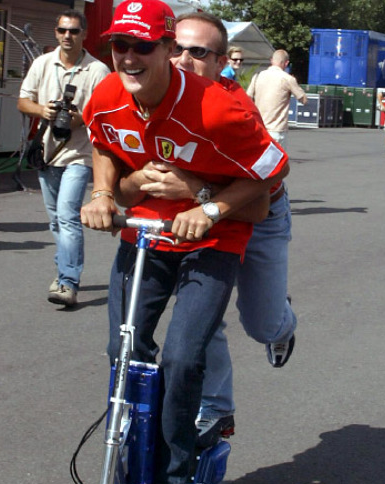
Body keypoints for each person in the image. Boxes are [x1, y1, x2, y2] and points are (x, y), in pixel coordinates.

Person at [80, 1, 289, 484]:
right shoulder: (108, 92)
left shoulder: (222, 108)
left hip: (217, 237)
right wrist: (104, 192)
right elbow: (103, 142)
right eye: (118, 46)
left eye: (141, 46)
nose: (127, 57)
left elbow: (265, 184)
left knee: (183, 356)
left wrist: (209, 207)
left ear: (166, 51)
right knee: (122, 348)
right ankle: (134, 465)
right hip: (149, 232)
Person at [120, 11, 298, 448]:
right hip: (198, 221)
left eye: (198, 53)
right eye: (176, 48)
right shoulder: (151, 92)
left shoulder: (233, 106)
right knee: (199, 317)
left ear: (221, 64)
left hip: (257, 214)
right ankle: (216, 407)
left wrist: (200, 191)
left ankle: (282, 323)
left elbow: (262, 190)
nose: (184, 59)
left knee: (261, 324)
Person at [18, 9, 110, 307]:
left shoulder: (98, 70)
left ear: (84, 34)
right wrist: (42, 111)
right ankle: (64, 272)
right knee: (56, 221)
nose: (67, 36)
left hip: (79, 155)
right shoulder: (42, 63)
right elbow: (23, 101)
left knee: (68, 216)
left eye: (73, 31)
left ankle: (68, 281)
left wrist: (77, 119)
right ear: (56, 33)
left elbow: (104, 111)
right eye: (62, 31)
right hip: (47, 154)